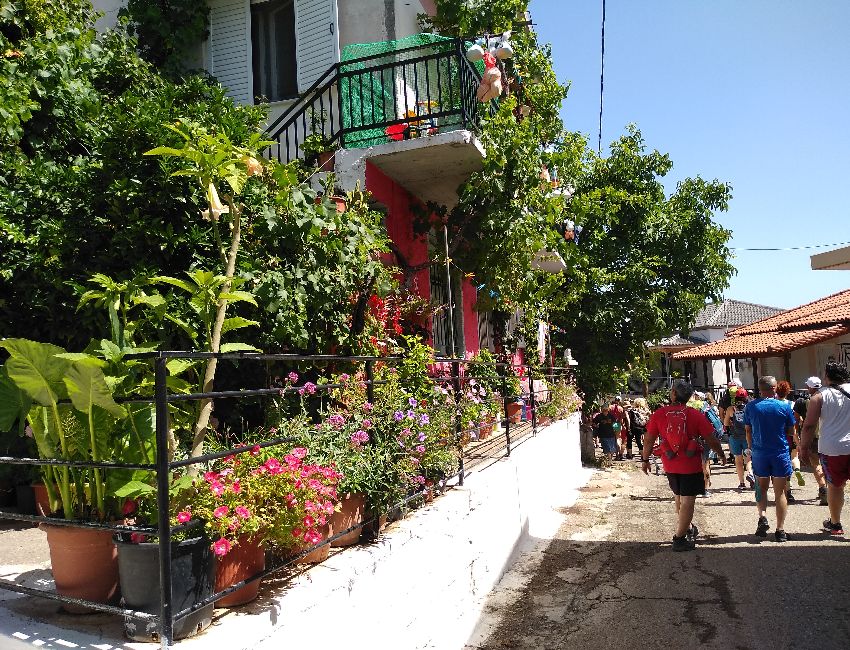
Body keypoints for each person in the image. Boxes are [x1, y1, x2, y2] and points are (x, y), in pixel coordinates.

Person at [641, 381, 726, 552]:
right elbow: (711, 438)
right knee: (688, 500)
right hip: (690, 462)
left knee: (679, 497)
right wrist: (721, 454)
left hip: (669, 462)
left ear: (673, 394)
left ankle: (687, 528)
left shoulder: (659, 414)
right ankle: (679, 538)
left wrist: (645, 459)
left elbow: (649, 439)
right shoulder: (694, 414)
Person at [743, 376, 796, 542]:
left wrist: (751, 448)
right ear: (775, 389)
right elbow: (791, 431)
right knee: (780, 492)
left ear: (760, 390)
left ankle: (763, 516)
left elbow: (748, 431)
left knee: (761, 488)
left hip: (759, 453)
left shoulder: (751, 407)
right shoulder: (784, 406)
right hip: (779, 452)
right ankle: (780, 530)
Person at [800, 362, 850, 536]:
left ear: (827, 376)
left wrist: (803, 448)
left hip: (832, 448)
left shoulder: (819, 396)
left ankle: (835, 524)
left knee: (836, 486)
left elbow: (809, 426)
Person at [795, 376, 828, 505]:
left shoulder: (803, 401)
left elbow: (796, 420)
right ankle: (829, 488)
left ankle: (823, 488)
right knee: (827, 464)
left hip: (813, 437)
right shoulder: (827, 397)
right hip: (827, 436)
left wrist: (799, 437)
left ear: (809, 387)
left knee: (816, 464)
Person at [724, 387, 754, 491]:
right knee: (748, 458)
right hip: (747, 436)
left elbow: (726, 423)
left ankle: (742, 483)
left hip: (735, 436)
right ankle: (750, 473)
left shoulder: (730, 409)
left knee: (738, 459)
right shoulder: (750, 407)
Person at [610, 396, 629, 460]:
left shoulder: (610, 407)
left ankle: (611, 454)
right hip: (617, 424)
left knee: (612, 439)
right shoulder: (621, 408)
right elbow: (622, 418)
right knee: (618, 438)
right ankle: (618, 454)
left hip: (611, 424)